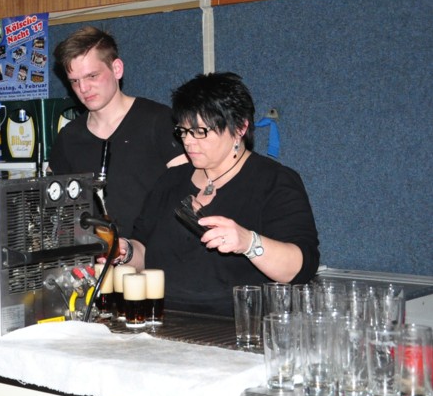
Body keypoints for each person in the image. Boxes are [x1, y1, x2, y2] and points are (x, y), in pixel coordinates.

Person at [119, 72, 320, 316]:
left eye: (200, 131)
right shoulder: (170, 180)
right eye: (183, 131)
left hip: (238, 326)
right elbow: (143, 251)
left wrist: (249, 242)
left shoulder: (275, 181)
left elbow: (300, 268)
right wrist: (125, 252)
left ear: (240, 128)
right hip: (162, 319)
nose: (188, 142)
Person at [48, 26, 186, 237]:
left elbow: (187, 192)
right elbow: (54, 208)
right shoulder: (68, 137)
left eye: (92, 76)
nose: (83, 89)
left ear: (117, 69)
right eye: (74, 81)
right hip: (96, 254)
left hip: (156, 253)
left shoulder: (159, 121)